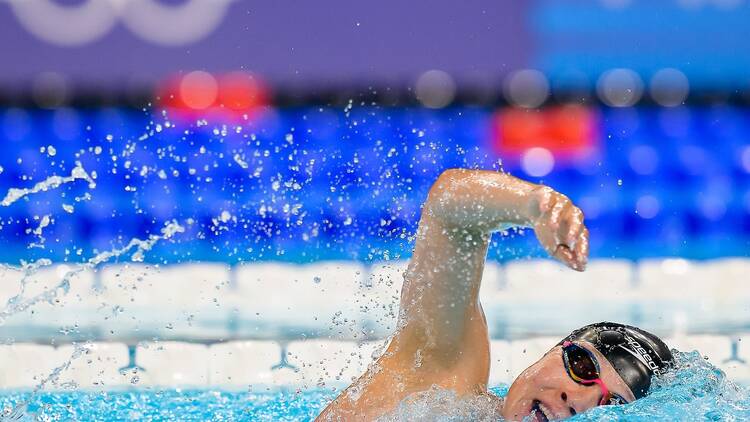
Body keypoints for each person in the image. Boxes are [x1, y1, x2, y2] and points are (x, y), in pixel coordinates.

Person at [316, 168, 674, 421]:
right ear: (550, 352)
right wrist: (537, 204)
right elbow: (450, 212)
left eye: (609, 408)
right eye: (581, 366)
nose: (575, 401)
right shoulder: (437, 380)